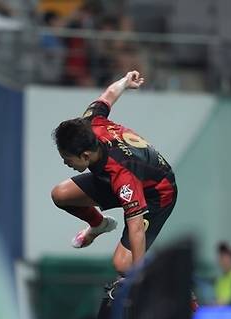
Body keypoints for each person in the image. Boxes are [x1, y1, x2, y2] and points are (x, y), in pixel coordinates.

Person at [51, 70, 177, 275]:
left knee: (124, 265)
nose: (65, 163)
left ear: (84, 156)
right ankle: (99, 225)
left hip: (158, 193)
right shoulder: (90, 122)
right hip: (118, 179)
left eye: (68, 160)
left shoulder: (122, 174)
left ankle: (173, 286)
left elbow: (135, 226)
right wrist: (126, 81)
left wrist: (137, 279)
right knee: (60, 194)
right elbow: (108, 95)